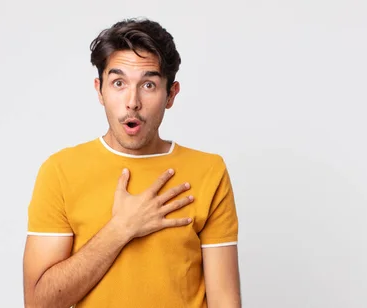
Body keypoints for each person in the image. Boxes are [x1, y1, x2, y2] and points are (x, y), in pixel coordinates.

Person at [22, 18, 241, 308]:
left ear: (170, 95)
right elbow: (39, 303)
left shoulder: (209, 171)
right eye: (118, 83)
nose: (132, 102)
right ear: (100, 90)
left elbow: (225, 299)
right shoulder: (60, 171)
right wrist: (121, 228)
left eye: (148, 84)